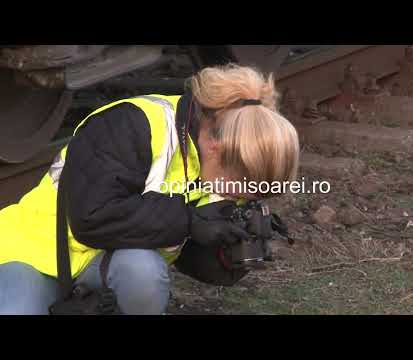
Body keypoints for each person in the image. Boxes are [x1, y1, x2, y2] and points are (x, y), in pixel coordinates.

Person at [0, 64, 300, 315]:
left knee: (142, 271)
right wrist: (190, 221)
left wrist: (231, 256)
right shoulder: (131, 125)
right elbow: (92, 217)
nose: (239, 198)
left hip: (101, 264)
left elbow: (177, 248)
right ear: (217, 148)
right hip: (31, 255)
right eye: (242, 189)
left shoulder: (210, 163)